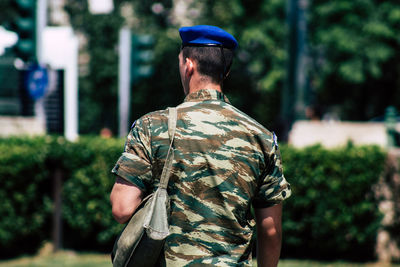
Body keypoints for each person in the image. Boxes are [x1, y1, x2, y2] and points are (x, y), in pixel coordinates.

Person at [110, 25, 291, 267]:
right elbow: (270, 230)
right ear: (225, 72)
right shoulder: (262, 137)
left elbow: (122, 208)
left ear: (189, 65)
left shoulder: (151, 127)